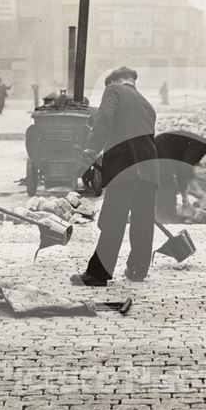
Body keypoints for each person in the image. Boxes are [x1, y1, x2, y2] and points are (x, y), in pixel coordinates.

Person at [72, 66, 158, 286]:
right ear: (132, 82)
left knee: (113, 220)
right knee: (143, 222)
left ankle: (98, 274)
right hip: (149, 171)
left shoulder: (114, 91)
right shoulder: (147, 105)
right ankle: (138, 270)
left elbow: (104, 120)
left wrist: (91, 151)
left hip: (125, 169)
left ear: (115, 81)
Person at [154, 130, 206, 221]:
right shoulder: (198, 146)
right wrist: (199, 191)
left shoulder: (198, 146)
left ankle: (168, 217)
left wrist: (184, 197)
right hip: (160, 153)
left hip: (163, 154)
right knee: (166, 187)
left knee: (168, 187)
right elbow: (185, 169)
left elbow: (181, 172)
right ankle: (164, 218)